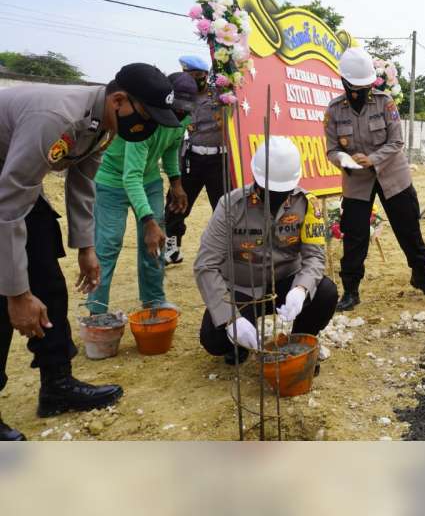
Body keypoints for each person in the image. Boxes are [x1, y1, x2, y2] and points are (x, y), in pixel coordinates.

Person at [0, 62, 180, 441]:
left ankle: (57, 384)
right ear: (119, 100)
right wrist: (16, 293)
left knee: (49, 281)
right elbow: (8, 207)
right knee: (3, 292)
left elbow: (82, 180)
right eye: (147, 116)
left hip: (14, 182)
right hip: (9, 187)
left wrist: (86, 248)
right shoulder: (57, 119)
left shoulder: (104, 123)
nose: (148, 126)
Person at [195, 137, 337, 366]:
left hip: (285, 282)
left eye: (284, 190)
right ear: (256, 179)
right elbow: (205, 265)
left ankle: (298, 344)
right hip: (242, 287)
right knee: (215, 340)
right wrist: (231, 319)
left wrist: (301, 288)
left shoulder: (308, 204)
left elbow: (314, 256)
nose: (277, 196)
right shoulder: (231, 206)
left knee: (325, 293)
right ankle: (240, 341)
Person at [325, 47, 425, 311]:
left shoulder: (385, 102)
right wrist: (346, 160)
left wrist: (372, 159)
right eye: (356, 86)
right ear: (344, 81)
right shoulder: (334, 110)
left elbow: (396, 141)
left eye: (365, 86)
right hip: (356, 180)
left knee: (408, 227)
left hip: (393, 174)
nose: (361, 91)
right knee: (354, 235)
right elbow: (331, 150)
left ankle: (421, 275)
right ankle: (351, 290)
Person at [86, 72, 194, 317]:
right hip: (112, 181)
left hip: (149, 179)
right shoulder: (142, 121)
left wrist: (176, 183)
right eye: (176, 109)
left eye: (184, 110)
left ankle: (154, 299)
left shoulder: (181, 117)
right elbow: (130, 177)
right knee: (109, 243)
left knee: (155, 242)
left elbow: (171, 148)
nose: (179, 115)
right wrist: (149, 222)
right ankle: (97, 309)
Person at [164, 55, 226, 265]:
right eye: (187, 75)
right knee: (176, 202)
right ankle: (172, 247)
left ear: (205, 75)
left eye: (197, 75)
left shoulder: (220, 95)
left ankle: (224, 252)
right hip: (192, 157)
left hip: (219, 158)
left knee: (223, 206)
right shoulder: (182, 96)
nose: (192, 80)